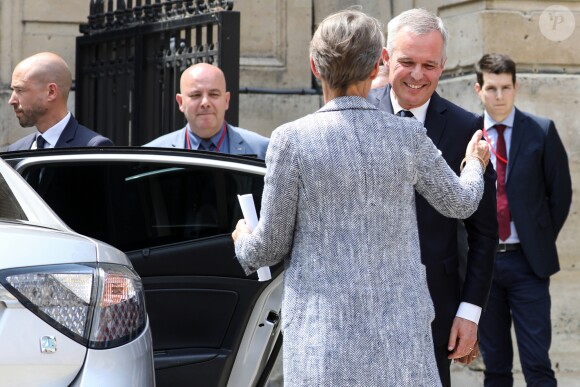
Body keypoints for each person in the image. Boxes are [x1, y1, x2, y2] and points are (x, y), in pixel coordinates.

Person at [232, 8, 491, 386]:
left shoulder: (291, 140)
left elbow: (267, 248)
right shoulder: (407, 137)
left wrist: (242, 239)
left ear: (314, 66)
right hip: (400, 339)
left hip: (325, 339)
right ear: (377, 66)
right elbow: (463, 202)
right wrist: (475, 163)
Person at [367, 8, 498, 386]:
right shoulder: (355, 117)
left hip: (435, 311)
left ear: (443, 65)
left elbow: (484, 232)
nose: (418, 75)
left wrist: (469, 312)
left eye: (429, 65)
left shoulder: (465, 127)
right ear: (386, 58)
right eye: (407, 62)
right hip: (360, 307)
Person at [474, 53, 572, 387]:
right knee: (496, 367)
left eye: (505, 87)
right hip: (484, 268)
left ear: (516, 87)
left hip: (528, 264)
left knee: (537, 365)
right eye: (491, 88)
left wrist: (537, 238)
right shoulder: (468, 134)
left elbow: (560, 195)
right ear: (479, 89)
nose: (498, 96)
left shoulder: (541, 131)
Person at [144, 63, 269, 158]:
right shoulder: (154, 154)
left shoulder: (262, 150)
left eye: (213, 94)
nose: (205, 103)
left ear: (226, 100)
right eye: (196, 95)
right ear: (181, 102)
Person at [7, 52, 113, 151]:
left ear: (51, 92)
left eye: (19, 90)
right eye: (13, 90)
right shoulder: (15, 150)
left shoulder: (92, 147)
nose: (12, 101)